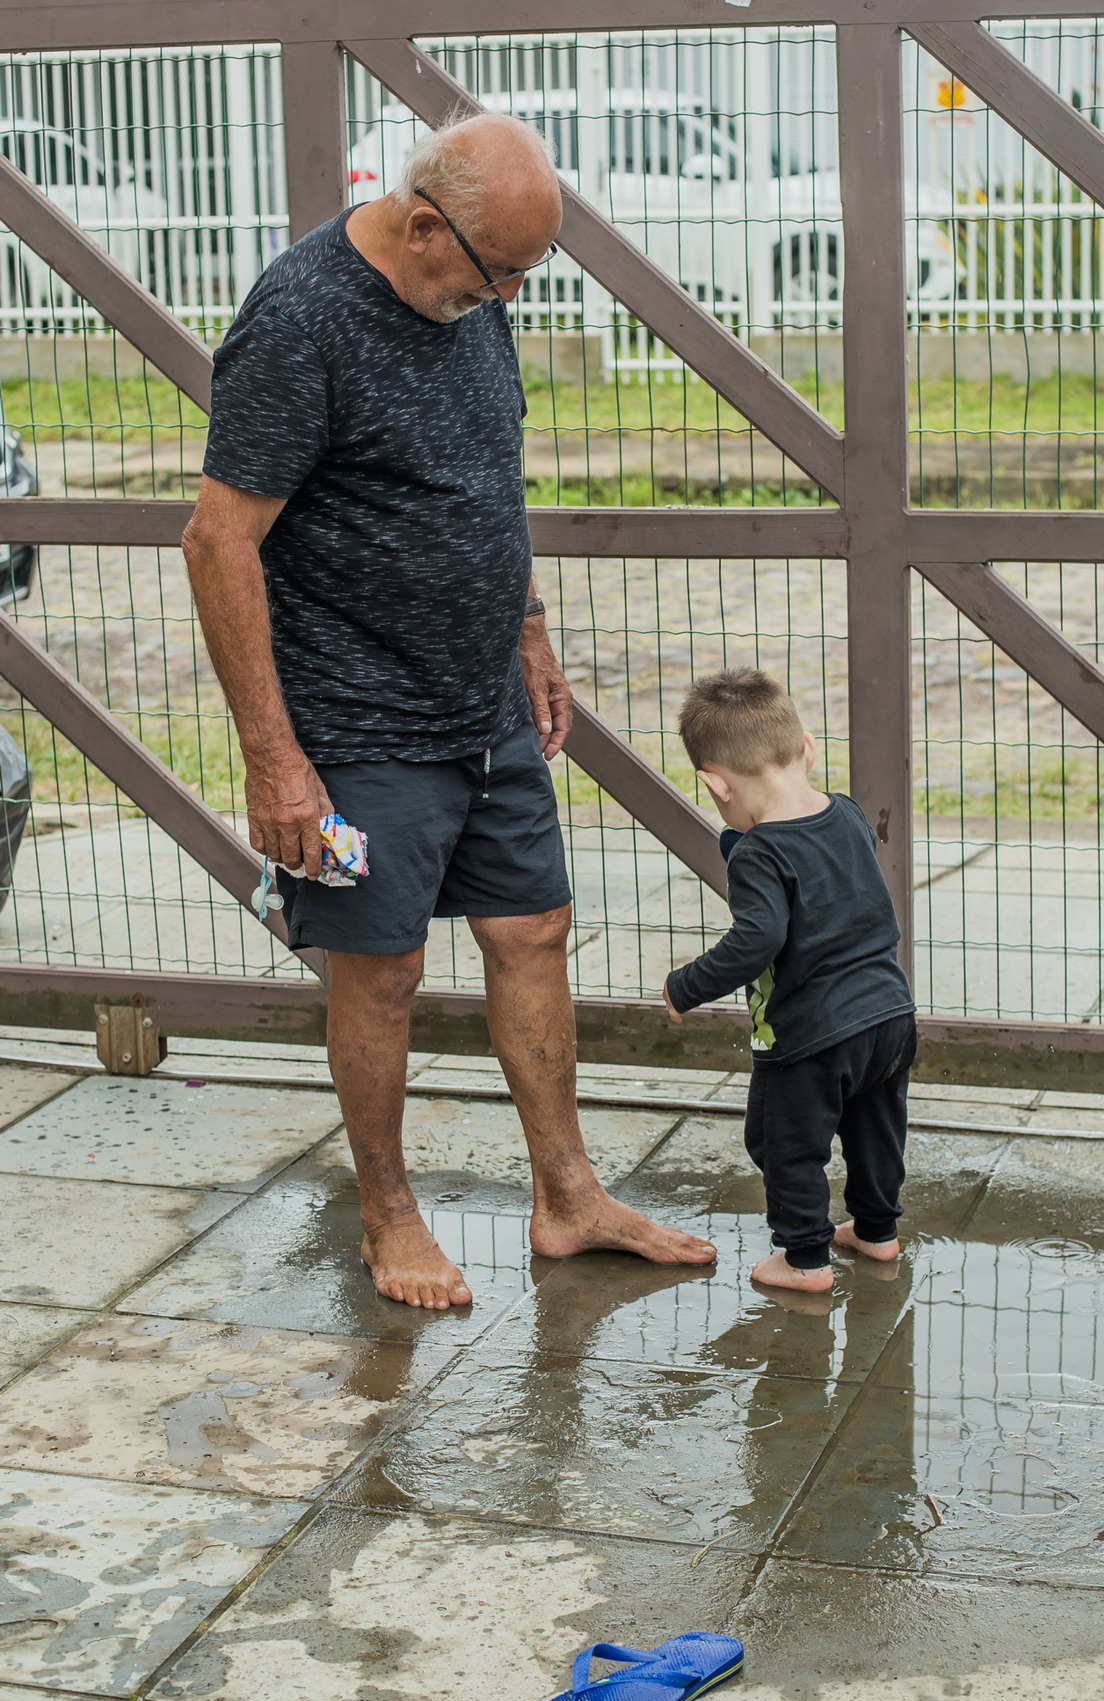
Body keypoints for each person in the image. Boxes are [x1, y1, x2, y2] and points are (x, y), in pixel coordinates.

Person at [183, 111, 716, 1311]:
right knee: (382, 971)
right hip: (357, 719)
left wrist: (527, 627)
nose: (510, 298)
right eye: (499, 273)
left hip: (482, 701)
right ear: (425, 226)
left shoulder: (471, 299)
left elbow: (490, 474)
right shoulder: (299, 319)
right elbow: (217, 542)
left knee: (535, 932)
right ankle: (390, 1214)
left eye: (528, 273)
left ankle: (568, 1197)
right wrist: (275, 761)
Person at [662, 668, 917, 1293]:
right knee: (875, 1128)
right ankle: (877, 1231)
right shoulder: (847, 814)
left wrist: (686, 986)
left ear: (714, 782)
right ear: (807, 748)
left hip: (811, 1034)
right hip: (889, 1014)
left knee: (784, 1142)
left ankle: (804, 1260)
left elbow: (757, 940)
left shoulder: (759, 853)